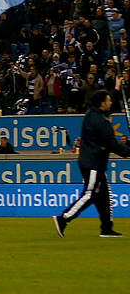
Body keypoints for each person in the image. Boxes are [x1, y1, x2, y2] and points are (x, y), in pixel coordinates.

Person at [55, 88, 130, 238]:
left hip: (92, 161)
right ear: (102, 103)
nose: (111, 103)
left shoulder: (93, 115)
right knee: (90, 194)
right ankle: (63, 218)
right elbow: (112, 144)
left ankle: (107, 228)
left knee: (104, 196)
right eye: (109, 100)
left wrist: (115, 89)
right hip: (93, 162)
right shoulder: (101, 121)